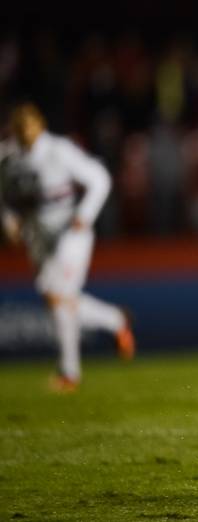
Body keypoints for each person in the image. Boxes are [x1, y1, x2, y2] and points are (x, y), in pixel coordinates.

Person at [0, 103, 135, 393]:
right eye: (20, 125)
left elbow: (100, 178)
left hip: (70, 234)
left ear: (41, 124)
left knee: (58, 298)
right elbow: (6, 195)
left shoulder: (58, 150)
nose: (26, 131)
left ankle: (69, 373)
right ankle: (116, 320)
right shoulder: (9, 157)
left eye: (30, 124)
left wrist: (84, 215)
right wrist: (9, 221)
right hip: (38, 236)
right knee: (61, 299)